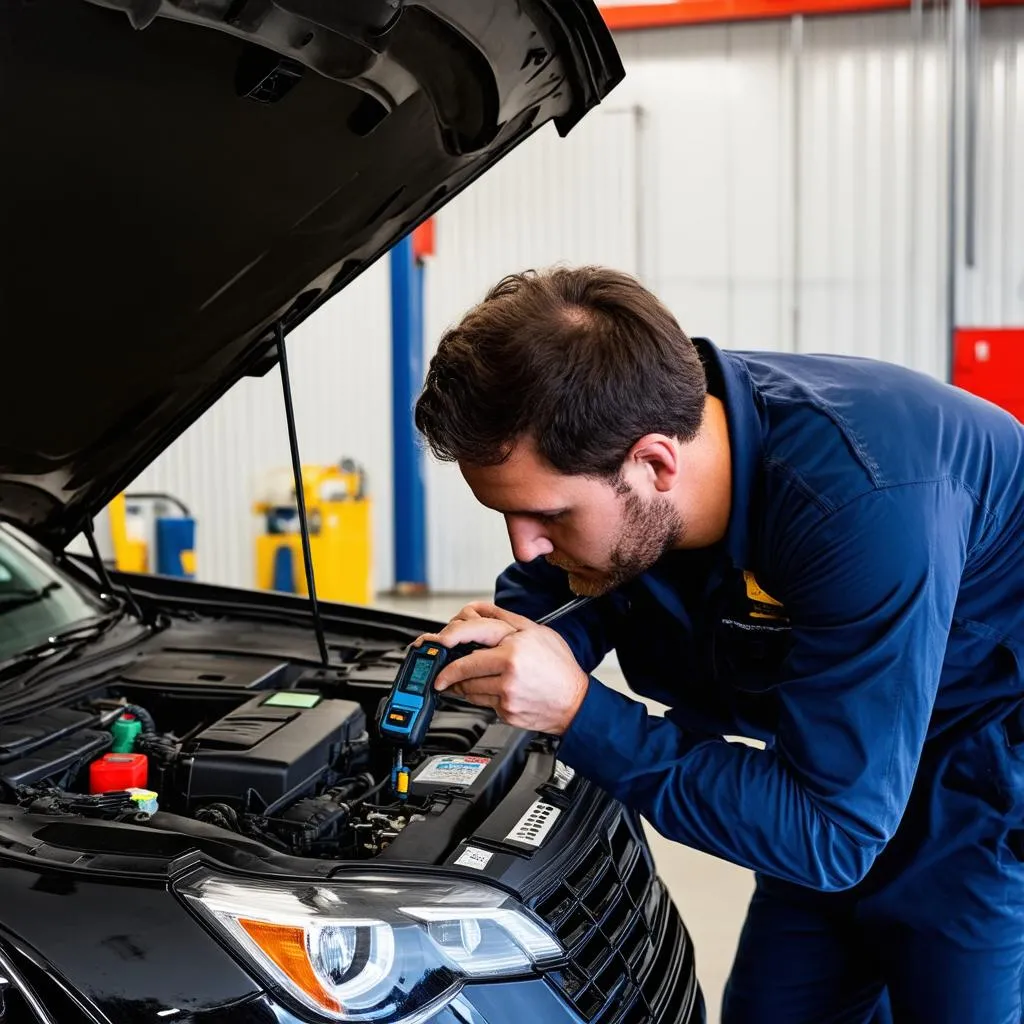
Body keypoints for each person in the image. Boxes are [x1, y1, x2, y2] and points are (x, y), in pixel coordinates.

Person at [412, 266, 1024, 1024]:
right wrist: (500, 650)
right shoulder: (649, 430)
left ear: (656, 462)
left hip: (977, 774)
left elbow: (829, 836)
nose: (527, 549)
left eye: (551, 516)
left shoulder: (860, 506)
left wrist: (581, 715)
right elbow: (571, 592)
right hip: (831, 745)